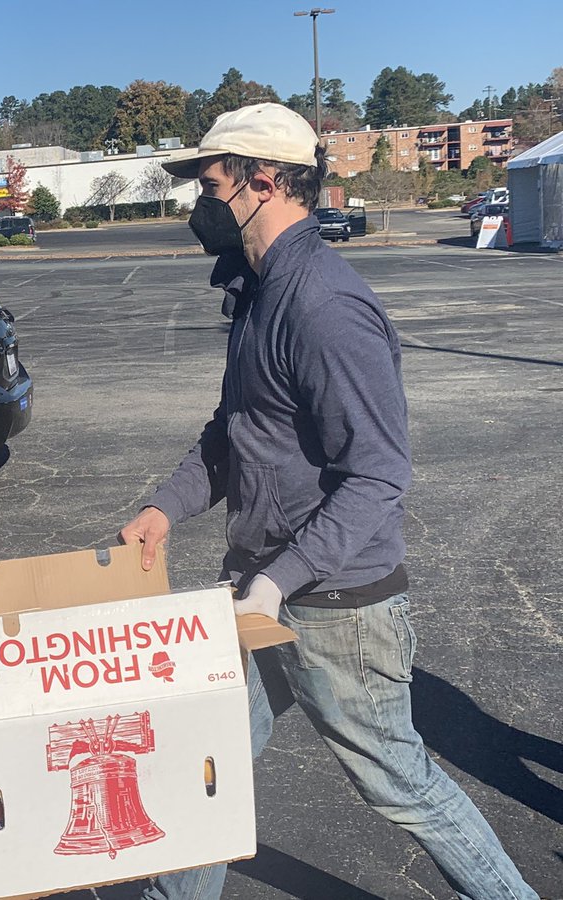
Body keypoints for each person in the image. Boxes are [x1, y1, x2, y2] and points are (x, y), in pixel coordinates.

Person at [121, 104, 537, 900]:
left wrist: (284, 578)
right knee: (209, 769)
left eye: (211, 185)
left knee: (401, 787)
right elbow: (235, 429)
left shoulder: (325, 305)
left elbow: (378, 476)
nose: (198, 206)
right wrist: (167, 506)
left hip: (336, 608)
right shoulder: (258, 291)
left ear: (265, 180)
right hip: (260, 591)